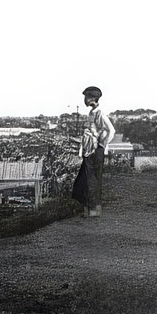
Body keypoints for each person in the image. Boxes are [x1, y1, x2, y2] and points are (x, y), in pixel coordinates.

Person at [71, 86, 115, 217]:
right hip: (89, 151)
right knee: (83, 182)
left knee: (92, 182)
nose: (84, 100)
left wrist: (101, 145)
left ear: (92, 99)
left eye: (86, 97)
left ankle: (94, 212)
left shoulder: (99, 113)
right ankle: (90, 210)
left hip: (95, 152)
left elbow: (111, 131)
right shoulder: (92, 113)